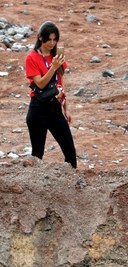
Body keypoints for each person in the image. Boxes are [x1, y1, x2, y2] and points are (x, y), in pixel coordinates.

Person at [25, 21, 77, 168]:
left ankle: (71, 183)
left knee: (70, 150)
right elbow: (40, 83)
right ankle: (34, 185)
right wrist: (53, 67)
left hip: (55, 107)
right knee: (37, 153)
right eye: (49, 39)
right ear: (40, 38)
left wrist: (66, 107)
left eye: (55, 40)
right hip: (38, 108)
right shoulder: (32, 57)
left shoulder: (57, 56)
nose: (52, 43)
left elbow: (61, 82)